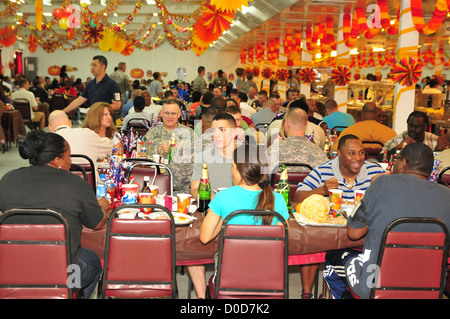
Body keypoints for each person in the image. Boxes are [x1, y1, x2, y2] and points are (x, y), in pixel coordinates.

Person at [324, 142, 450, 299]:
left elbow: (354, 233)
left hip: (375, 285)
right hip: (430, 287)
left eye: (396, 159)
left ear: (403, 162)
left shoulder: (381, 183)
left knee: (333, 257)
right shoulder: (447, 194)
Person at [0, 130, 110, 299]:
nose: (71, 161)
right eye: (69, 156)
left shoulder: (7, 179)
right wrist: (103, 206)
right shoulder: (75, 184)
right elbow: (97, 223)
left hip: (12, 270)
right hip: (64, 275)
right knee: (93, 262)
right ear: (57, 160)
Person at [199, 143, 290, 282]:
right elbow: (283, 242)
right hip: (268, 278)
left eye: (233, 167)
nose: (231, 171)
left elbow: (205, 238)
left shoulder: (223, 197)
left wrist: (224, 217)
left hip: (230, 277)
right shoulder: (278, 199)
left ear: (240, 171)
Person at [267, 107, 329, 299]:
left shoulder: (273, 151)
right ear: (307, 125)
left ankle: (270, 285)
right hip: (309, 215)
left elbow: (260, 183)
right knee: (312, 242)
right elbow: (326, 186)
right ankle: (307, 292)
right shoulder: (319, 154)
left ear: (286, 124)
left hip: (276, 214)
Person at [189, 113, 239, 298]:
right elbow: (195, 188)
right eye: (213, 130)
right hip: (211, 210)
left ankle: (222, 282)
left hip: (238, 214)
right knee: (191, 245)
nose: (216, 135)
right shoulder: (205, 156)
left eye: (222, 130)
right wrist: (207, 195)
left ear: (234, 132)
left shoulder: (246, 155)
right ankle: (203, 297)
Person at [294, 134, 384, 204]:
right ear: (339, 154)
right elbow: (297, 198)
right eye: (351, 153)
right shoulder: (323, 171)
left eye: (361, 152)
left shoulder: (375, 171)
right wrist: (323, 190)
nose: (358, 158)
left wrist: (388, 182)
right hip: (331, 225)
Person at [48, 110, 113, 182]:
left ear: (50, 127)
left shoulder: (48, 141)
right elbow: (109, 147)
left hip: (60, 187)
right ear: (70, 122)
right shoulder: (86, 133)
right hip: (89, 186)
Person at [378, 111, 446, 161]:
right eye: (410, 126)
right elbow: (378, 159)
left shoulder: (435, 140)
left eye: (417, 127)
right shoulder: (397, 140)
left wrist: (437, 150)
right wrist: (397, 148)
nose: (412, 129)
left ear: (425, 127)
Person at [332, 102, 397, 151]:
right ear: (376, 114)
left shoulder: (349, 131)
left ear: (362, 113)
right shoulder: (390, 133)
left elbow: (334, 150)